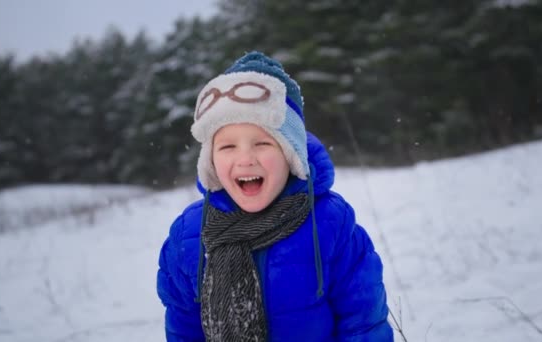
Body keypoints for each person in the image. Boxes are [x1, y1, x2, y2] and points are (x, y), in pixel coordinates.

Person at [157, 51, 394, 341]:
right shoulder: (189, 234)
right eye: (227, 146)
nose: (245, 159)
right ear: (210, 161)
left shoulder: (331, 225)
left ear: (291, 154)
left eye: (262, 143)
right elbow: (183, 328)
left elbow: (363, 325)